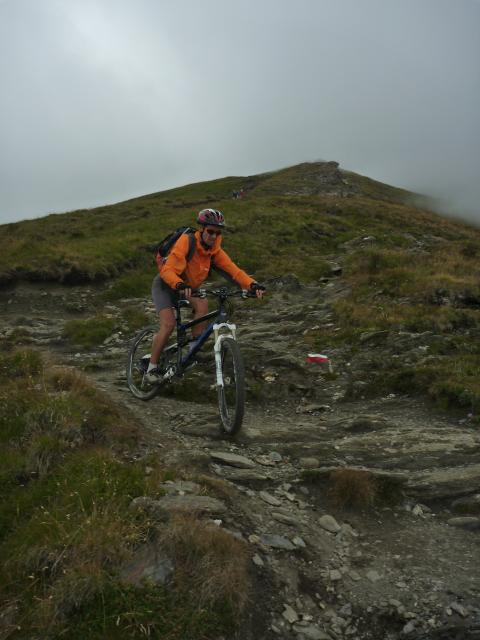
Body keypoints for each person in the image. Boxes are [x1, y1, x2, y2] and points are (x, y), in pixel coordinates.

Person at [146, 208, 265, 383]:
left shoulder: (214, 251)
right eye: (210, 231)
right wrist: (179, 283)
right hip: (166, 284)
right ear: (201, 229)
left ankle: (194, 350)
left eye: (217, 233)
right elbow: (168, 270)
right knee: (169, 324)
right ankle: (151, 368)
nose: (213, 236)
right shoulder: (187, 242)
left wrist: (252, 284)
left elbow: (234, 271)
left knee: (202, 305)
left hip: (188, 289)